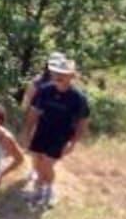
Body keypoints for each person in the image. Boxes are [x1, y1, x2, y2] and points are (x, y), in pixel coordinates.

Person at [20, 55, 90, 210]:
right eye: (57, 73)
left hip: (61, 136)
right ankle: (38, 190)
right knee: (37, 161)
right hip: (42, 131)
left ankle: (49, 191)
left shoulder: (78, 98)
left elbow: (83, 122)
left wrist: (73, 142)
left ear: (71, 76)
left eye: (63, 74)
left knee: (47, 164)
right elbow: (34, 112)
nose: (59, 76)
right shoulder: (45, 91)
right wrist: (27, 132)